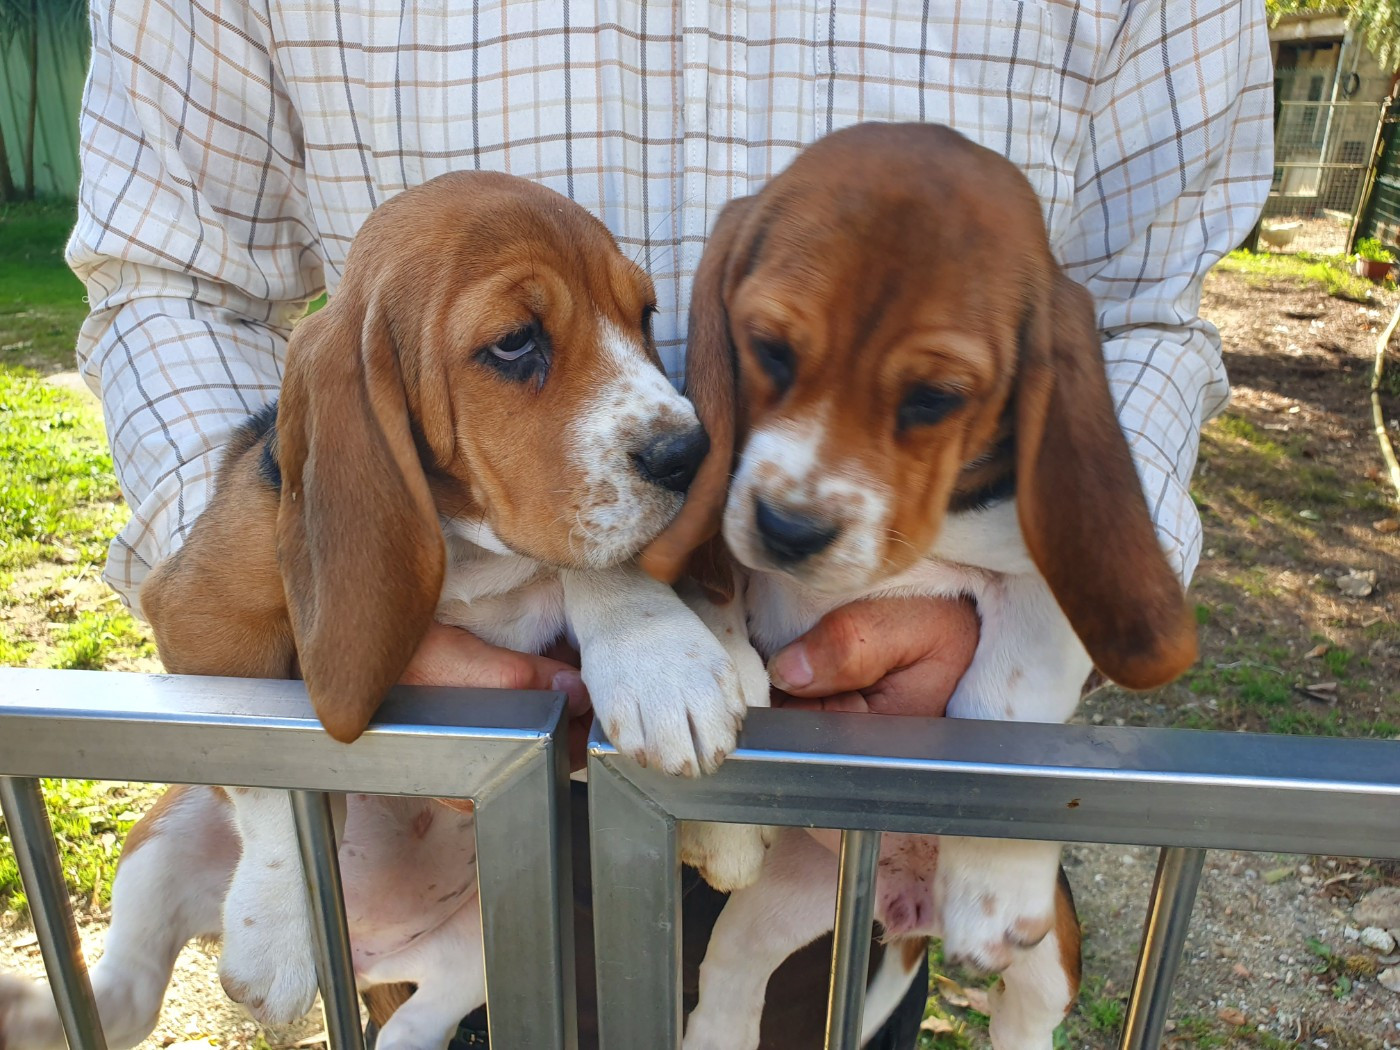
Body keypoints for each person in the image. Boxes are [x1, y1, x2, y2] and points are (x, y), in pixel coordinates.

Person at [67, 1, 1272, 1045]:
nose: (669, 408)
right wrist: (332, 589)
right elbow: (167, 280)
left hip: (855, 781)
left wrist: (1017, 639)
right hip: (433, 780)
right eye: (519, 342)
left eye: (647, 333)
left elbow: (1146, 311)